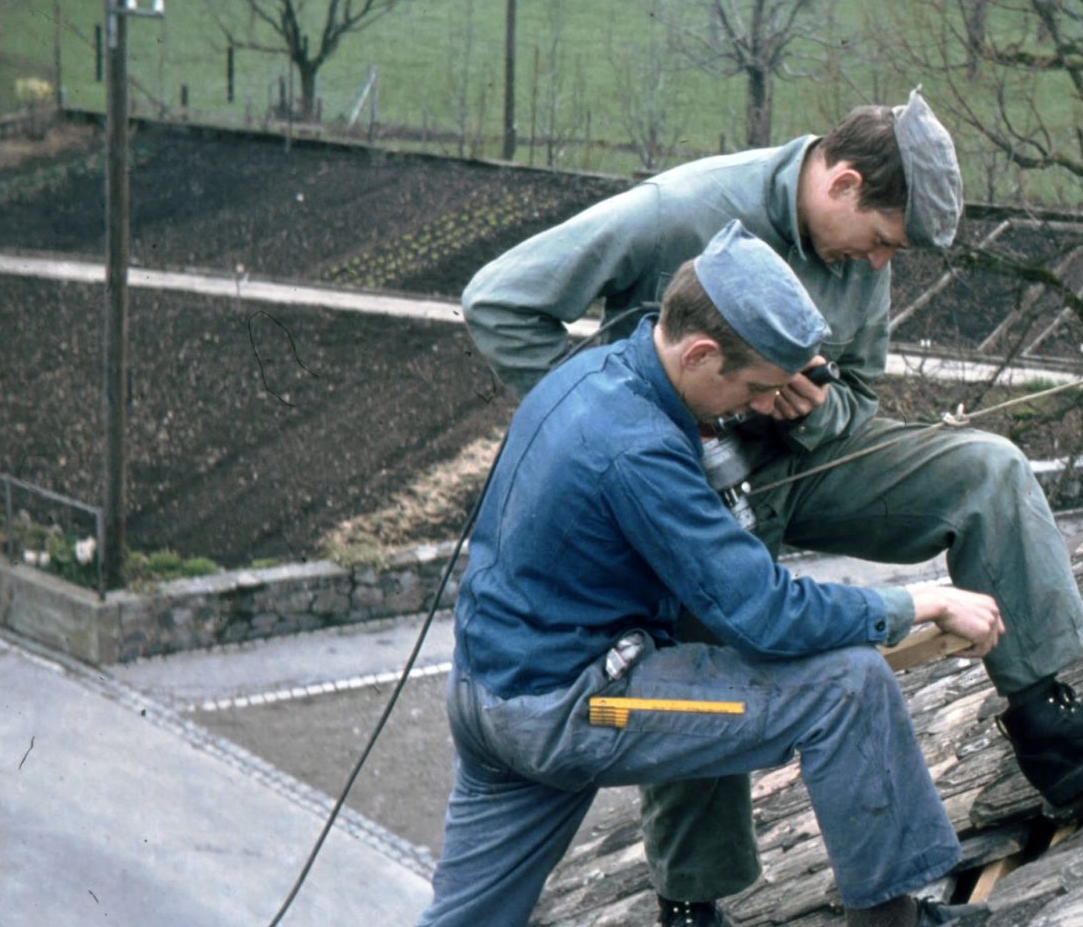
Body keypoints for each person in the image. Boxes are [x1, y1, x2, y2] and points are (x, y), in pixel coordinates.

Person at [462, 90, 1083, 927]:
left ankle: (1045, 717)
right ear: (841, 185)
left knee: (990, 470)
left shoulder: (860, 259)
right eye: (880, 242)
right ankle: (692, 898)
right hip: (682, 487)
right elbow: (497, 302)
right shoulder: (679, 210)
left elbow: (860, 396)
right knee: (710, 633)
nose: (880, 267)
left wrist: (806, 407)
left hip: (801, 464)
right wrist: (637, 425)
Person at [421, 222, 1005, 927]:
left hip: (485, 698)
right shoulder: (637, 450)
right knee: (849, 688)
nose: (762, 408)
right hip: (576, 710)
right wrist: (923, 601)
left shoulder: (587, 375)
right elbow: (763, 614)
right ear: (700, 354)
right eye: (756, 387)